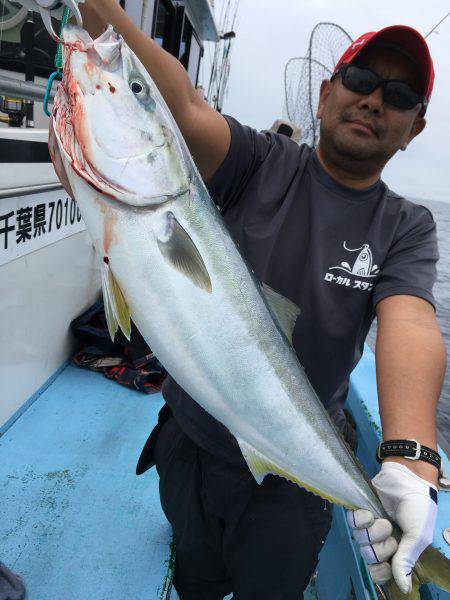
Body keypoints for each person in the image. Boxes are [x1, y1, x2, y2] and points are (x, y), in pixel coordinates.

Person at [61, 2, 448, 597]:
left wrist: (411, 458)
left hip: (295, 482)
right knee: (194, 574)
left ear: (415, 128)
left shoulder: (406, 225)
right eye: (362, 80)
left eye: (399, 95)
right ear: (325, 93)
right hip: (190, 441)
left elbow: (413, 321)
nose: (374, 100)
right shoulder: (257, 161)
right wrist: (99, 11)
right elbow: (184, 106)